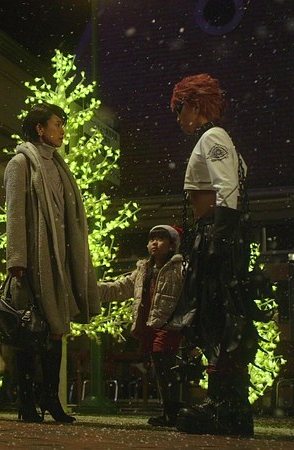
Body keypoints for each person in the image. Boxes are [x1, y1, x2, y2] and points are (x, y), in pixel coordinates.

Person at [166, 74, 257, 436]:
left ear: (193, 104)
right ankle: (229, 404)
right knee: (221, 318)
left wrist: (218, 239)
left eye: (179, 109)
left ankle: (225, 405)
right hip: (218, 235)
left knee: (217, 318)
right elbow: (234, 179)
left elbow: (227, 186)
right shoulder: (219, 139)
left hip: (215, 235)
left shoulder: (212, 137)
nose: (178, 119)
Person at [4, 102, 100, 423]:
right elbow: (14, 214)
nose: (62, 130)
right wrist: (17, 260)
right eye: (57, 124)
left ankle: (50, 398)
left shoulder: (60, 167)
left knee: (57, 329)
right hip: (34, 260)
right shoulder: (20, 163)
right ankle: (26, 402)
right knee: (28, 331)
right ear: (39, 128)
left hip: (60, 259)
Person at [97, 225, 186, 427]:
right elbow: (120, 288)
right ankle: (170, 410)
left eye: (160, 239)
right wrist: (92, 290)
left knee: (164, 365)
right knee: (161, 367)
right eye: (152, 239)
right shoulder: (143, 270)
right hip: (149, 324)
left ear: (172, 245)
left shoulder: (179, 268)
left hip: (168, 324)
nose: (154, 243)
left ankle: (172, 410)